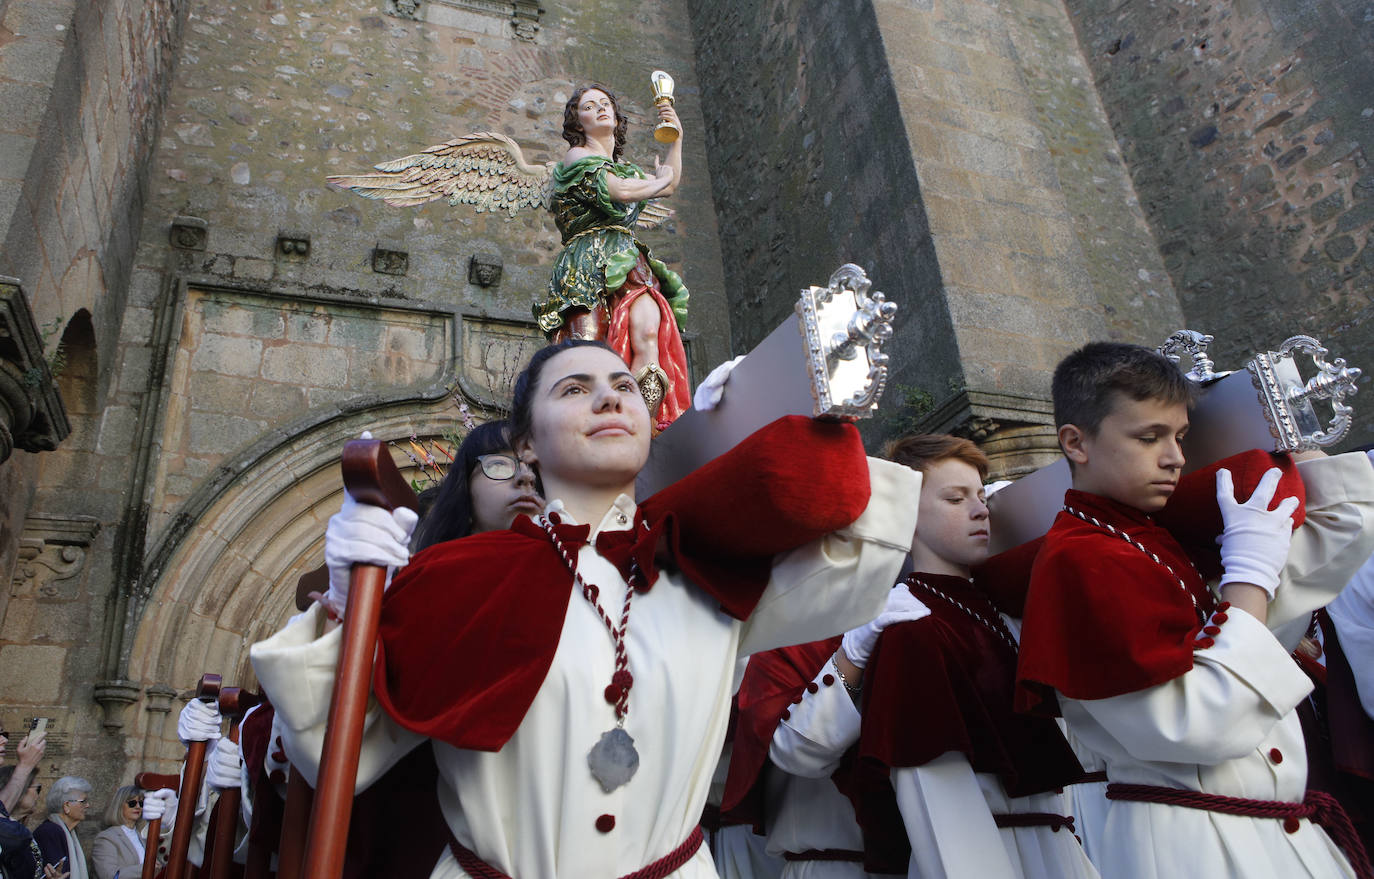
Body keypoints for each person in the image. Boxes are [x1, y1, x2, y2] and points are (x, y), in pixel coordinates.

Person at [251, 338, 921, 878]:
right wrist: (346, 602)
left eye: (625, 386)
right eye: (574, 389)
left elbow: (853, 541)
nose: (608, 395)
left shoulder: (708, 567)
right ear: (528, 448)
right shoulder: (459, 576)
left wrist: (763, 418)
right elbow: (336, 748)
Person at [1015, 341, 1374, 879]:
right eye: (1148, 437)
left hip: (1258, 829)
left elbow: (1341, 541)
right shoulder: (1083, 558)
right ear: (1076, 442)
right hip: (1194, 845)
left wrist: (1286, 446)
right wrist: (1249, 575)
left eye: (1181, 437)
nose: (1175, 457)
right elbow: (1198, 722)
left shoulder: (1151, 539)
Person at [534, 85, 691, 430]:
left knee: (648, 332)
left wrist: (675, 140)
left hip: (630, 261)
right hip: (587, 264)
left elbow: (669, 184)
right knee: (589, 354)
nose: (600, 109)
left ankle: (643, 425)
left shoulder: (626, 169)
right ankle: (593, 425)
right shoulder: (576, 157)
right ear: (578, 121)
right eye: (590, 106)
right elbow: (616, 191)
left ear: (616, 116)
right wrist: (658, 180)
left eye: (606, 104)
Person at [32, 778, 91, 879]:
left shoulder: (68, 832)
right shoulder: (49, 832)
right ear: (67, 805)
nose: (88, 805)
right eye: (83, 801)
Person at [89, 787, 147, 879]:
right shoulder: (106, 838)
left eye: (141, 803)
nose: (138, 806)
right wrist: (147, 868)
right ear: (119, 805)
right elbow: (109, 876)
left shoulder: (141, 837)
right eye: (132, 803)